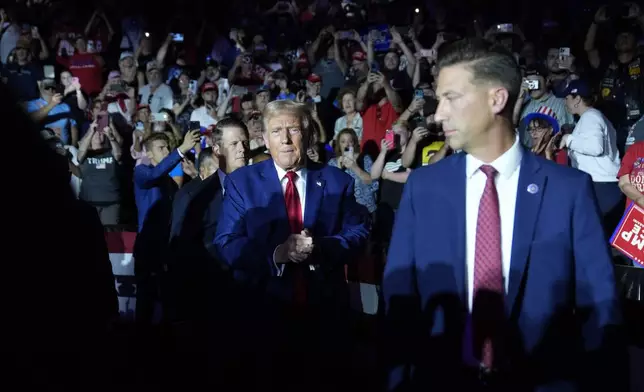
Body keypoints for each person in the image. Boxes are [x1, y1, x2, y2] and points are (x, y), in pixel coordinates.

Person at [383, 38, 624, 391]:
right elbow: (400, 303)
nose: (438, 113)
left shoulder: (569, 190)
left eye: (451, 97)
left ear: (496, 99)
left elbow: (600, 309)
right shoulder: (423, 187)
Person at [214, 100, 370, 391]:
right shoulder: (241, 183)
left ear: (308, 133)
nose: (285, 139)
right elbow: (226, 242)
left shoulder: (338, 181)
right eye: (276, 131)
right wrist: (277, 253)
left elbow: (358, 232)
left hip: (323, 316)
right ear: (264, 139)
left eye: (293, 129)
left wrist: (322, 247)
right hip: (264, 316)